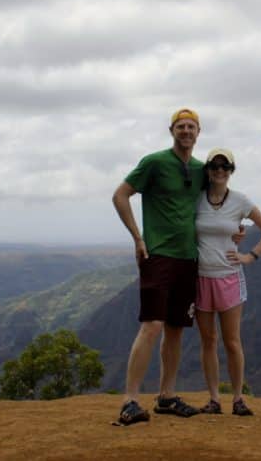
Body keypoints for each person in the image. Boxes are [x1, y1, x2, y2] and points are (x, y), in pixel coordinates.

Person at [111, 108, 206, 425]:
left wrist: (236, 230)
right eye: (181, 126)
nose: (186, 131)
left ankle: (166, 396)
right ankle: (130, 400)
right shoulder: (154, 162)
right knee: (152, 324)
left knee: (176, 329)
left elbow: (216, 204)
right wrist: (138, 238)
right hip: (158, 255)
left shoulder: (200, 169)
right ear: (172, 131)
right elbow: (121, 195)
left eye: (191, 126)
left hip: (189, 258)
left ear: (198, 132)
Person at [194, 147, 261, 416]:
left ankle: (238, 399)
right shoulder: (196, 200)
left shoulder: (240, 201)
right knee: (208, 340)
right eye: (215, 166)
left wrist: (250, 256)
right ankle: (214, 399)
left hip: (229, 277)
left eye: (225, 166)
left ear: (231, 171)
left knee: (232, 341)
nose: (220, 171)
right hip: (200, 277)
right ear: (208, 170)